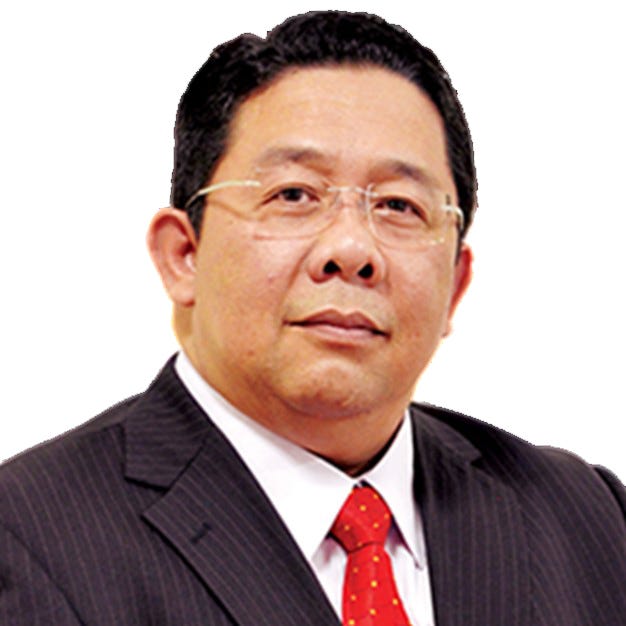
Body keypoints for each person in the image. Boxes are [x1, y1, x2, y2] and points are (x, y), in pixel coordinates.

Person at [0, 10, 623, 626]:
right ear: (183, 255)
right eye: (294, 195)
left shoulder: (586, 516)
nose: (351, 250)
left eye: (400, 205)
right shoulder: (27, 536)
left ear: (456, 285)